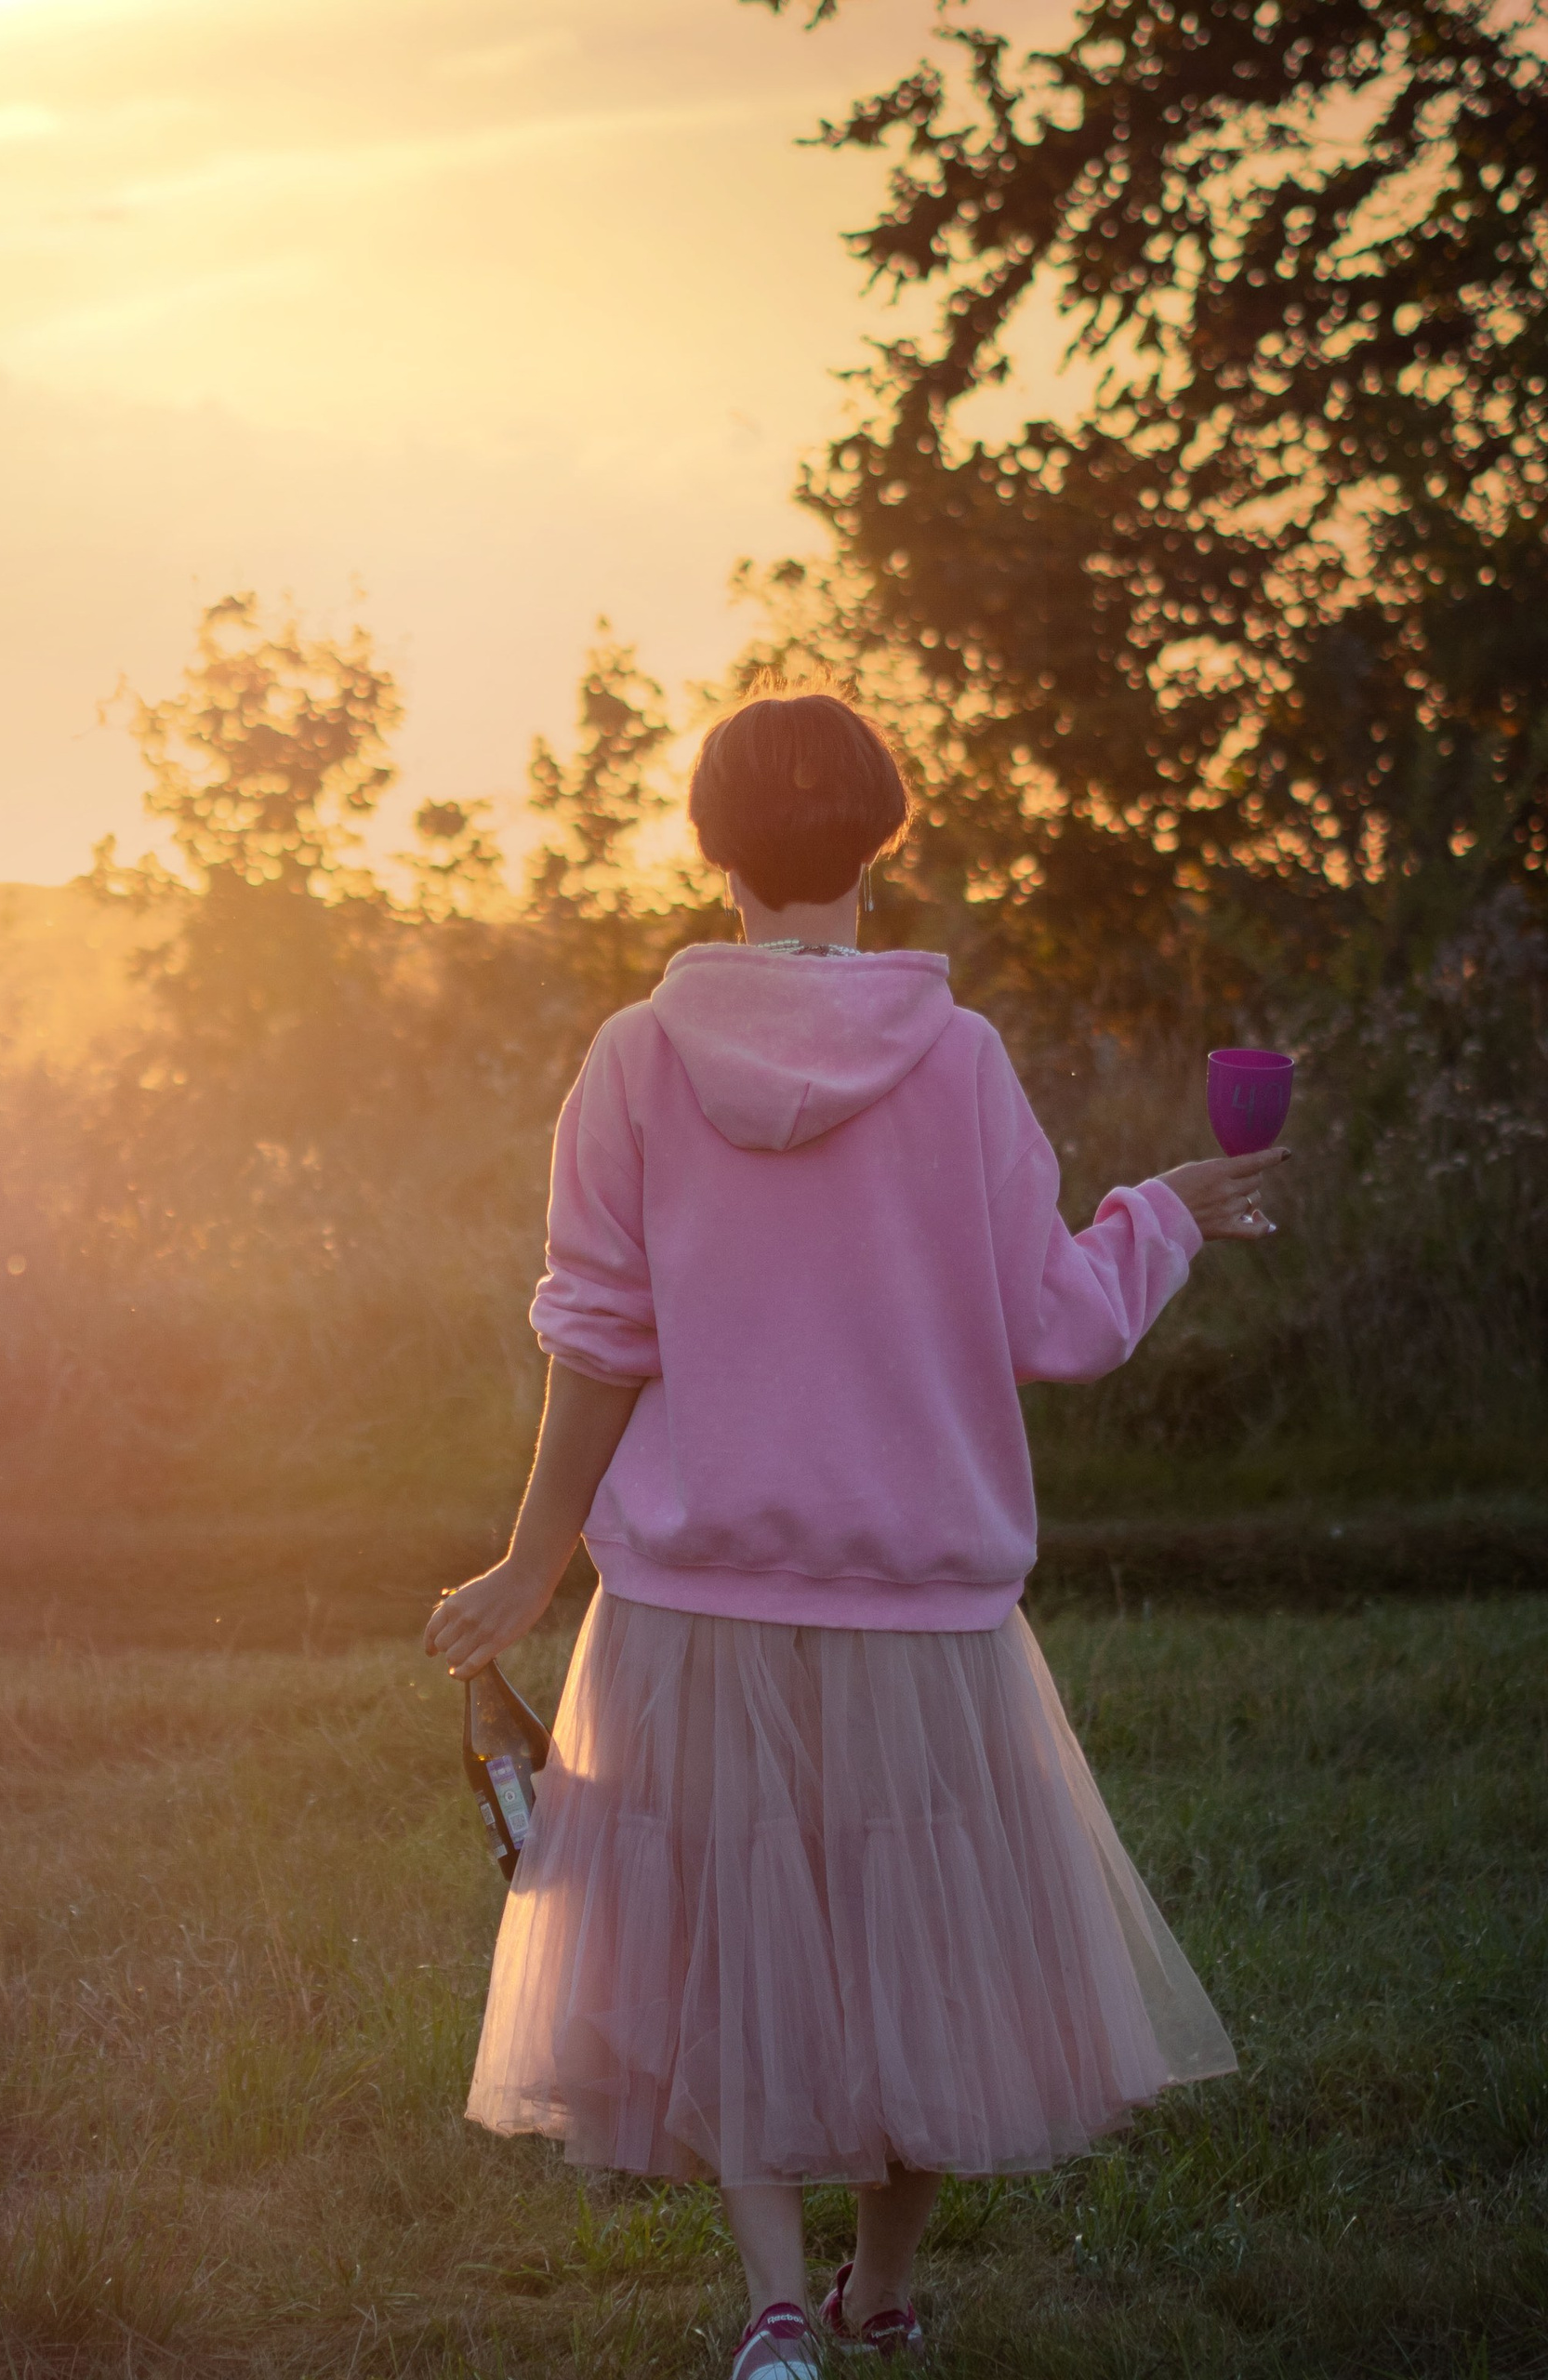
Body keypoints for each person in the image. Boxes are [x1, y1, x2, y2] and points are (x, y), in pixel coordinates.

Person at [424, 693, 1285, 2378]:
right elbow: (1057, 1321)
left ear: (710, 846)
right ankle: (879, 2299)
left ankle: (769, 2316)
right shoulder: (956, 1061)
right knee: (938, 1962)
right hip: (925, 1608)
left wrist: (534, 1561)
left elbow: (596, 1340)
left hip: (692, 1604)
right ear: (882, 840)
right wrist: (1167, 1209)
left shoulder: (632, 1061)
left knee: (725, 1948)